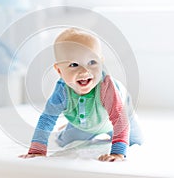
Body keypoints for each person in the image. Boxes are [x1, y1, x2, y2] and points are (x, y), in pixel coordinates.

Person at [19, 28, 143, 162]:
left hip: (119, 116)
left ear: (101, 62)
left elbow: (120, 120)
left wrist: (118, 153)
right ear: (59, 70)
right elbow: (47, 119)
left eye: (92, 62)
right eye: (73, 64)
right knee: (64, 141)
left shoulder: (106, 87)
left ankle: (118, 129)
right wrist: (37, 150)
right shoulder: (62, 91)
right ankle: (71, 125)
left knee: (135, 141)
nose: (84, 71)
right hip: (85, 124)